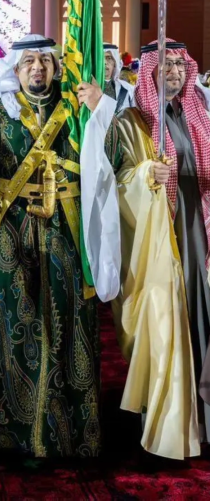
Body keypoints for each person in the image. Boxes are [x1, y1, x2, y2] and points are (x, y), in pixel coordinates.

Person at [0, 34, 121, 458]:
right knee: (13, 325)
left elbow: (111, 158)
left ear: (56, 68)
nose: (37, 68)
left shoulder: (77, 108)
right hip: (10, 232)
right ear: (15, 70)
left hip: (67, 229)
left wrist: (100, 110)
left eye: (45, 61)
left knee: (71, 324)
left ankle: (72, 433)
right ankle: (13, 432)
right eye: (29, 61)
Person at [112, 39, 210, 460]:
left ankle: (204, 420)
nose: (174, 72)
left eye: (180, 65)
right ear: (149, 73)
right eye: (165, 65)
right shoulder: (131, 122)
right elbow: (115, 184)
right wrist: (145, 174)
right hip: (159, 237)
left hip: (198, 230)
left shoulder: (197, 113)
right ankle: (171, 420)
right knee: (168, 323)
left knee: (201, 319)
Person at [103, 43, 134, 113]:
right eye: (101, 58)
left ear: (115, 63)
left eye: (109, 58)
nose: (105, 62)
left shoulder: (128, 89)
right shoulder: (89, 89)